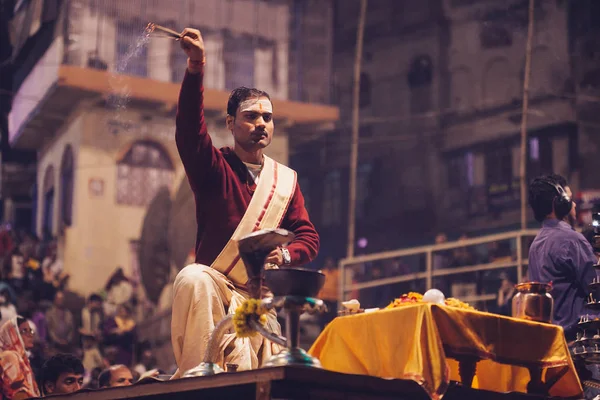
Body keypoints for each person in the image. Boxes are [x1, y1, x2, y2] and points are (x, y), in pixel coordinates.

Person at [170, 27, 319, 378]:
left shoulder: (285, 181)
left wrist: (285, 255)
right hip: (216, 287)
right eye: (251, 116)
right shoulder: (213, 166)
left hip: (257, 299)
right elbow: (189, 129)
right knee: (193, 278)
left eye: (267, 118)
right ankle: (198, 382)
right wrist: (196, 66)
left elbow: (307, 238)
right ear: (231, 123)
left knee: (254, 374)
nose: (261, 124)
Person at [527, 174, 598, 340]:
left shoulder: (535, 246)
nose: (574, 205)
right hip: (581, 343)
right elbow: (596, 287)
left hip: (554, 344)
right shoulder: (571, 240)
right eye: (570, 200)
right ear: (559, 204)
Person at [0, 317, 40, 400]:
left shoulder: (24, 359)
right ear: (11, 334)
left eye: (30, 331)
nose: (30, 335)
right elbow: (18, 394)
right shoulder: (9, 356)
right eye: (24, 331)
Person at [45, 290, 75, 355]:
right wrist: (58, 341)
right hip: (54, 346)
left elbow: (72, 329)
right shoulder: (49, 313)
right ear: (55, 300)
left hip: (67, 346)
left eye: (62, 299)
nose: (60, 301)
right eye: (58, 299)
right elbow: (49, 329)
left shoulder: (68, 313)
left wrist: (67, 340)